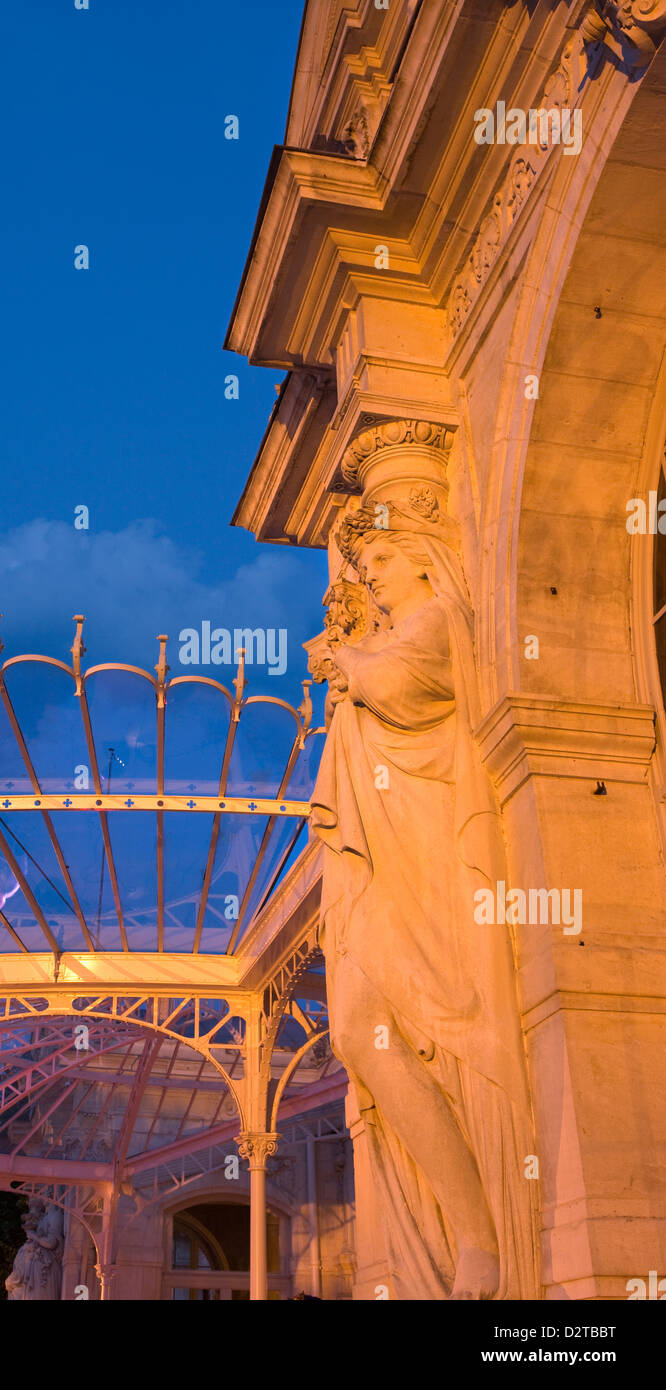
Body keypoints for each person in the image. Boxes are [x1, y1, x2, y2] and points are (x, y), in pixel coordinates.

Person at [311, 488, 537, 1300]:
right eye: (363, 564)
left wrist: (343, 661)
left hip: (425, 848)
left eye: (376, 560)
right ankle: (470, 1229)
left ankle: (481, 1238)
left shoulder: (440, 619)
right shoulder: (387, 634)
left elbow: (409, 689)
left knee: (377, 1030)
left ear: (421, 557)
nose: (367, 576)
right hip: (380, 856)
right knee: (356, 1035)